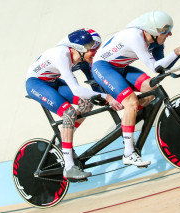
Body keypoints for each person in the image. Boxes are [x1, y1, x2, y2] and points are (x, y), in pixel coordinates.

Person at [92, 11, 180, 167]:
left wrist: (178, 55)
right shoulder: (135, 37)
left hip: (121, 68)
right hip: (103, 68)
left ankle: (129, 115)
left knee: (152, 89)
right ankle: (128, 153)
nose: (170, 34)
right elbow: (155, 67)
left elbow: (161, 66)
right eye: (166, 31)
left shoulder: (156, 41)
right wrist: (176, 52)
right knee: (131, 102)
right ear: (153, 32)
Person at [26, 28, 122, 181]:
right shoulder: (62, 55)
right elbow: (76, 90)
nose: (96, 54)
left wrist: (106, 98)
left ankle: (62, 142)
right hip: (36, 84)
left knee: (86, 104)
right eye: (93, 50)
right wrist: (107, 97)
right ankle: (69, 167)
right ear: (81, 49)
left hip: (52, 81)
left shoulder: (84, 60)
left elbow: (94, 83)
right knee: (69, 112)